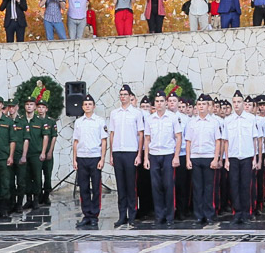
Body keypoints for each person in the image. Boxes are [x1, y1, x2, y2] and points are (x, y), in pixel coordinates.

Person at [220, 90, 262, 224]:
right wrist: (226, 159)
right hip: (233, 157)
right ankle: (237, 212)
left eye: (239, 102)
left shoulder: (251, 119)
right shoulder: (228, 120)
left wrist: (255, 159)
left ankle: (246, 212)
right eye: (234, 102)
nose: (236, 104)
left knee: (246, 185)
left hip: (247, 156)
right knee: (234, 185)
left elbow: (255, 139)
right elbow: (225, 141)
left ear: (243, 103)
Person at [108, 84, 145, 227]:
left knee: (131, 186)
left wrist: (139, 154)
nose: (123, 97)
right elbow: (112, 134)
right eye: (121, 94)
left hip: (131, 152)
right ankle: (122, 215)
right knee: (120, 185)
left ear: (131, 97)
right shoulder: (114, 113)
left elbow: (141, 134)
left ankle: (132, 215)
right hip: (118, 152)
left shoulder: (136, 113)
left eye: (125, 94)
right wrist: (111, 154)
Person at [143, 93, 182, 226]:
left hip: (168, 154)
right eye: (157, 101)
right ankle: (159, 215)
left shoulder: (172, 118)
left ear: (166, 103)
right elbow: (147, 139)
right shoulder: (150, 119)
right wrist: (146, 158)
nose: (159, 103)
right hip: (154, 154)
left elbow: (178, 137)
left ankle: (170, 216)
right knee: (156, 186)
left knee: (168, 185)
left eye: (161, 101)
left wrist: (176, 156)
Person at [71, 95, 109, 229]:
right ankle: (86, 215)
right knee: (84, 188)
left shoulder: (99, 121)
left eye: (90, 104)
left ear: (94, 106)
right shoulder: (79, 122)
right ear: (82, 107)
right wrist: (74, 159)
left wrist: (102, 158)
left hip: (95, 157)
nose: (87, 106)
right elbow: (75, 141)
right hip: (82, 158)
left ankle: (94, 216)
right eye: (85, 104)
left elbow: (104, 141)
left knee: (96, 188)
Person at [185, 95, 221, 225]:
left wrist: (216, 158)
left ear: (208, 106)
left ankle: (209, 214)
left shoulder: (214, 122)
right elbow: (188, 141)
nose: (201, 106)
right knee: (197, 188)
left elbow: (218, 141)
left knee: (209, 188)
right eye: (199, 104)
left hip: (209, 157)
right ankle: (199, 215)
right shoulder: (192, 122)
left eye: (204, 104)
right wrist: (188, 159)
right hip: (195, 157)